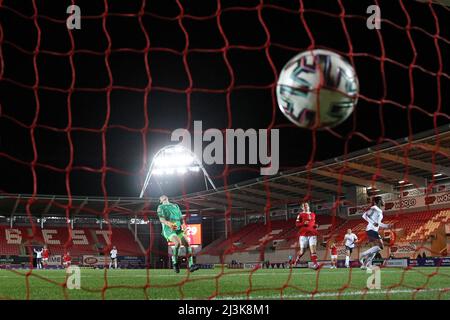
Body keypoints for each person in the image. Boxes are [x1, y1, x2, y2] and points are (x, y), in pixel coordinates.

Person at [157, 195, 200, 273]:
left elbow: (181, 218)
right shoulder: (160, 207)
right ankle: (175, 262)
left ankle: (191, 265)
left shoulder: (175, 206)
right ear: (161, 200)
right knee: (178, 243)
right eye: (161, 197)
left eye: (164, 196)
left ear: (167, 197)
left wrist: (183, 226)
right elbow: (161, 219)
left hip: (178, 229)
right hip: (169, 229)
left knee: (187, 243)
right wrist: (168, 223)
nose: (163, 196)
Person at [359, 196, 393, 269]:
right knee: (380, 246)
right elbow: (364, 215)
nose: (384, 201)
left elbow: (378, 223)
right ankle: (363, 254)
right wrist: (373, 222)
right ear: (379, 201)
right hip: (371, 229)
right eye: (383, 199)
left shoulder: (379, 210)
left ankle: (365, 264)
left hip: (373, 230)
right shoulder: (374, 208)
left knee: (376, 249)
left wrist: (387, 226)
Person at [294, 202, 320, 270]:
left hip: (312, 234)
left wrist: (315, 226)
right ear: (302, 208)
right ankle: (297, 259)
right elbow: (296, 224)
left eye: (307, 205)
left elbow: (313, 223)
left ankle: (315, 264)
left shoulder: (313, 214)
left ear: (308, 206)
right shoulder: (300, 214)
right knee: (302, 251)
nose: (306, 206)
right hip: (303, 234)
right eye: (304, 206)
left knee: (313, 250)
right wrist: (303, 223)